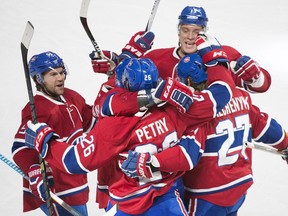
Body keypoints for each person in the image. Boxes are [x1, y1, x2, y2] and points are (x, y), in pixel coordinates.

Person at [23, 51, 237, 215]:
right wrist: (217, 58)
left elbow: (74, 161)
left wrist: (46, 143)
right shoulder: (177, 110)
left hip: (130, 205)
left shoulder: (115, 127)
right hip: (169, 200)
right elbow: (219, 96)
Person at [120, 52, 288, 215]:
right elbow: (264, 126)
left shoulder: (198, 112)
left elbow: (187, 153)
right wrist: (285, 144)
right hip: (239, 186)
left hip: (206, 193)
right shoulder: (239, 95)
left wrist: (153, 161)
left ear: (190, 80)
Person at [91, 6, 271, 94]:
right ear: (179, 31)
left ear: (205, 31)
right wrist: (116, 67)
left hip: (213, 142)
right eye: (186, 30)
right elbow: (128, 87)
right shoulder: (156, 58)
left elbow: (261, 87)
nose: (190, 37)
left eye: (196, 31)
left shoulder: (223, 54)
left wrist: (255, 77)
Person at [11, 51, 95, 215]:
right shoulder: (37, 110)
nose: (60, 77)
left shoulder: (71, 96)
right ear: (39, 79)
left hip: (76, 179)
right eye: (53, 74)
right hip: (54, 187)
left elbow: (91, 122)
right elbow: (20, 148)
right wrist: (34, 171)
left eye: (62, 72)